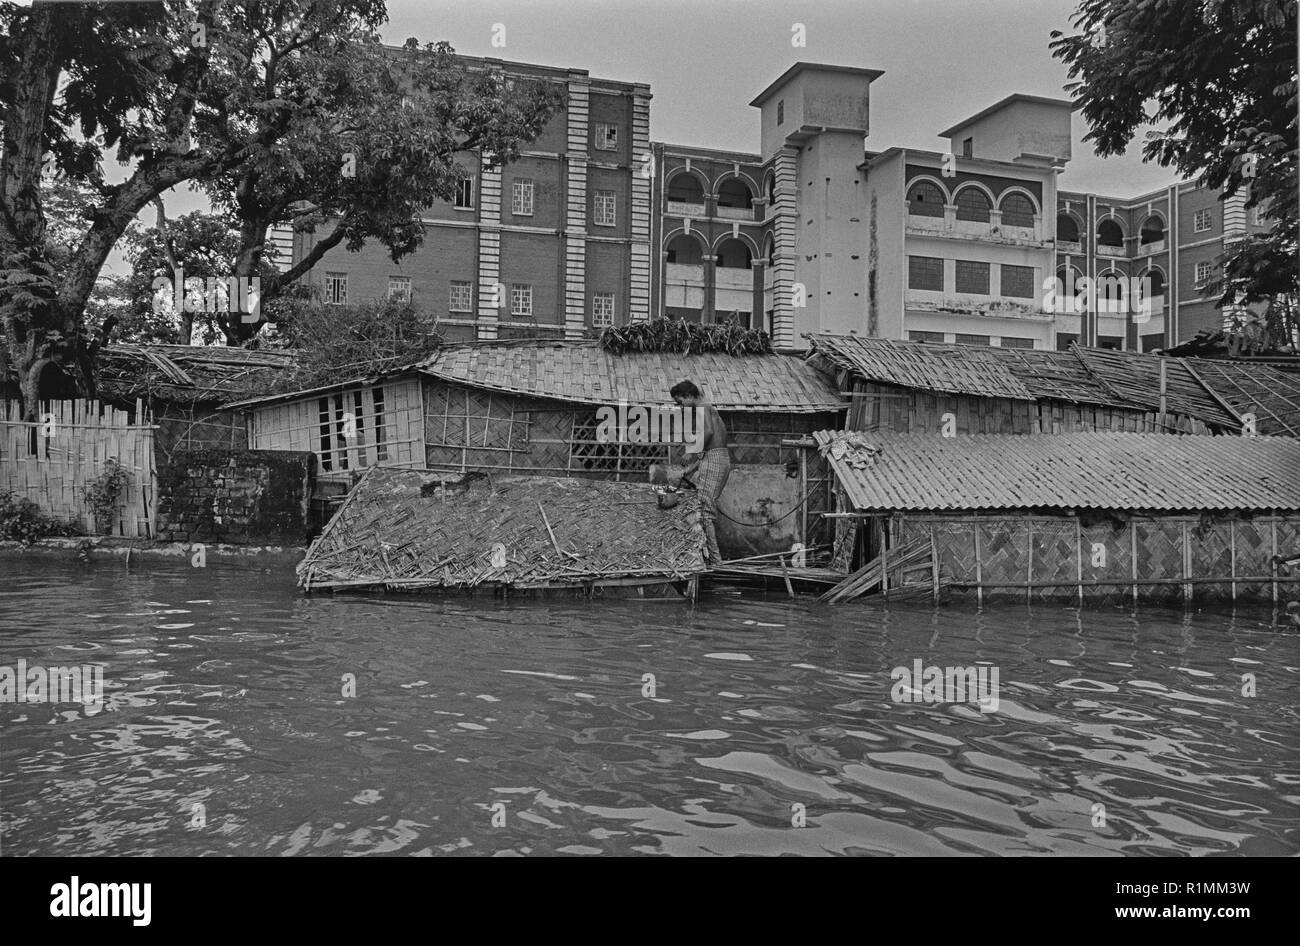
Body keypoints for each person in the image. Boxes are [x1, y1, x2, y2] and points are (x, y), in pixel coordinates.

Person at [670, 380, 730, 566]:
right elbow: (709, 449)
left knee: (704, 512)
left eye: (680, 402)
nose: (681, 406)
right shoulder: (708, 408)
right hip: (717, 458)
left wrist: (691, 452)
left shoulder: (703, 407)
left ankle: (715, 561)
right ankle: (712, 559)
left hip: (715, 459)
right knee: (705, 510)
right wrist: (686, 471)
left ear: (688, 396)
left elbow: (709, 434)